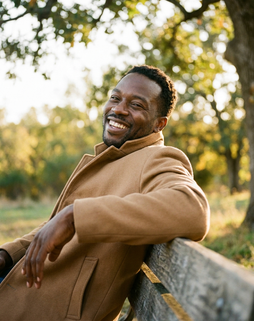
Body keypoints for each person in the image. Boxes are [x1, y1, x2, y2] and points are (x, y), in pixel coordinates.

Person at [0, 65, 210, 321]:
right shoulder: (114, 159)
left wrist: (75, 216)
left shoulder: (158, 158)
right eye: (115, 98)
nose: (119, 109)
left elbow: (193, 210)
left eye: (137, 105)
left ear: (159, 124)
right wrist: (9, 253)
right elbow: (53, 228)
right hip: (19, 285)